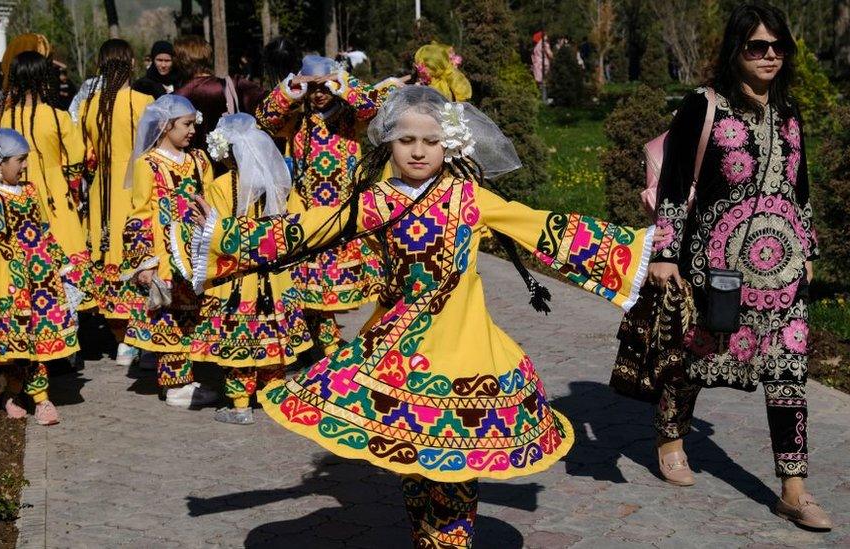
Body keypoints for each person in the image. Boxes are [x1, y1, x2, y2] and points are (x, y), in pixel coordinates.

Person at [190, 85, 656, 548]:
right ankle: (428, 538)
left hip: (462, 352)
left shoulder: (469, 199)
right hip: (396, 353)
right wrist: (221, 235)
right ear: (388, 142)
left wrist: (637, 252)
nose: (417, 151)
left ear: (449, 144)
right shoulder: (377, 200)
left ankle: (448, 542)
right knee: (412, 461)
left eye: (430, 141)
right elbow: (311, 229)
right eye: (406, 140)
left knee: (455, 467)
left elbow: (541, 227)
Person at [647, 3, 829, 531]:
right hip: (717, 268)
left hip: (783, 272)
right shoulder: (703, 106)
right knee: (695, 361)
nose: (770, 55)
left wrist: (809, 250)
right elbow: (676, 184)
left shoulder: (789, 111)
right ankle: (670, 435)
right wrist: (665, 253)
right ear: (737, 49)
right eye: (757, 46)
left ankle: (794, 488)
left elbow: (801, 185)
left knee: (790, 374)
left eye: (778, 46)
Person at [255, 55, 392, 355]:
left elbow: (377, 106)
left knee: (338, 282)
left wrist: (344, 85)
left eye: (324, 86)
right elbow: (264, 119)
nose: (318, 93)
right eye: (312, 87)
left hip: (345, 209)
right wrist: (290, 88)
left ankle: (338, 340)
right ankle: (325, 342)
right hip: (308, 210)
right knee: (312, 283)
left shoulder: (348, 114)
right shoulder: (297, 118)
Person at [0, 129, 88, 426]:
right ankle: (30, 398)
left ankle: (25, 397)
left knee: (37, 341)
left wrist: (62, 265)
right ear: (0, 162)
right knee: (19, 343)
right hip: (10, 277)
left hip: (40, 275)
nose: (25, 166)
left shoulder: (29, 190)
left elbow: (42, 230)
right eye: (20, 160)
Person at [191, 113, 314, 424]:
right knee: (271, 339)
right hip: (273, 278)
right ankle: (273, 397)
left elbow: (212, 230)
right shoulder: (279, 183)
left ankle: (241, 405)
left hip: (235, 279)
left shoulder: (221, 185)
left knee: (240, 343)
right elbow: (296, 225)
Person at [121, 94, 218, 408]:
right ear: (165, 126)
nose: (192, 131)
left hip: (197, 253)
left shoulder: (200, 161)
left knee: (191, 317)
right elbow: (139, 214)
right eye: (186, 124)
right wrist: (143, 262)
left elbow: (211, 201)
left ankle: (187, 376)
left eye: (193, 124)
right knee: (170, 319)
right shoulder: (147, 164)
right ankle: (176, 385)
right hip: (165, 256)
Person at [0, 51, 93, 312]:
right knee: (65, 262)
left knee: (22, 266)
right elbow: (75, 160)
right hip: (55, 198)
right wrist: (75, 192)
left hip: (14, 201)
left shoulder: (1, 121)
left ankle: (28, 333)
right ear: (43, 79)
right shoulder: (58, 118)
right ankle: (68, 338)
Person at [79, 39, 155, 366]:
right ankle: (142, 338)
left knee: (107, 258)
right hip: (135, 188)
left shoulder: (88, 106)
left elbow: (87, 158)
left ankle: (121, 339)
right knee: (136, 258)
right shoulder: (144, 102)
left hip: (102, 193)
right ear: (132, 63)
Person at [173, 35, 265, 166]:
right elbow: (269, 103)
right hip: (230, 171)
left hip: (191, 172)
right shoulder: (233, 85)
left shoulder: (175, 98)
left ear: (181, 61)